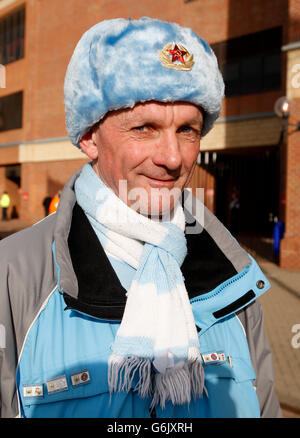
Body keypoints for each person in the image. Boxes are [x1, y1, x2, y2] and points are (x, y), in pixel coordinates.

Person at [0, 18, 281, 418]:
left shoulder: (233, 280)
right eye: (145, 127)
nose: (172, 157)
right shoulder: (12, 276)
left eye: (188, 130)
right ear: (89, 136)